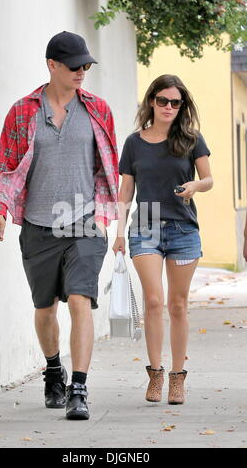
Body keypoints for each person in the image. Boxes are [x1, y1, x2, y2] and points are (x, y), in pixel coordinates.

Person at [0, 31, 118, 420]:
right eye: (75, 66)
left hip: (85, 222)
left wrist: (104, 214)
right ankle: (54, 371)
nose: (82, 72)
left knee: (80, 301)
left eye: (87, 66)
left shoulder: (98, 109)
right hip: (38, 225)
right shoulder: (22, 111)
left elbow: (106, 164)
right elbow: (8, 167)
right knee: (45, 309)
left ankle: (79, 388)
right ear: (52, 66)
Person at [113, 74, 213, 405]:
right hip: (144, 228)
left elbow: (208, 179)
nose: (169, 107)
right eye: (163, 101)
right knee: (154, 301)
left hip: (183, 230)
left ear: (181, 105)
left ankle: (177, 378)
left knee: (178, 305)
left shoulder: (191, 139)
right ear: (151, 102)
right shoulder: (134, 143)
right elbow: (126, 190)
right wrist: (118, 233)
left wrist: (195, 187)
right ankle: (155, 373)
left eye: (175, 102)